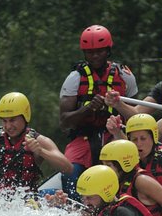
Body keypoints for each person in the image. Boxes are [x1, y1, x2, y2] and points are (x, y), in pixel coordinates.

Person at [59, 25, 138, 199]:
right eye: (90, 52)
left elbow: (136, 114)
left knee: (128, 167)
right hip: (83, 136)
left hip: (115, 134)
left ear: (108, 50)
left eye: (99, 51)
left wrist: (117, 104)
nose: (95, 56)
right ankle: (76, 211)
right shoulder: (75, 78)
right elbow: (64, 121)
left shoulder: (125, 76)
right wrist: (88, 108)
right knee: (69, 170)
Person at [0, 92, 72, 194]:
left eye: (12, 120)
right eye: (4, 121)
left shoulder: (39, 141)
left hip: (24, 202)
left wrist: (41, 151)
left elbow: (68, 168)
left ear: (25, 117)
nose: (8, 126)